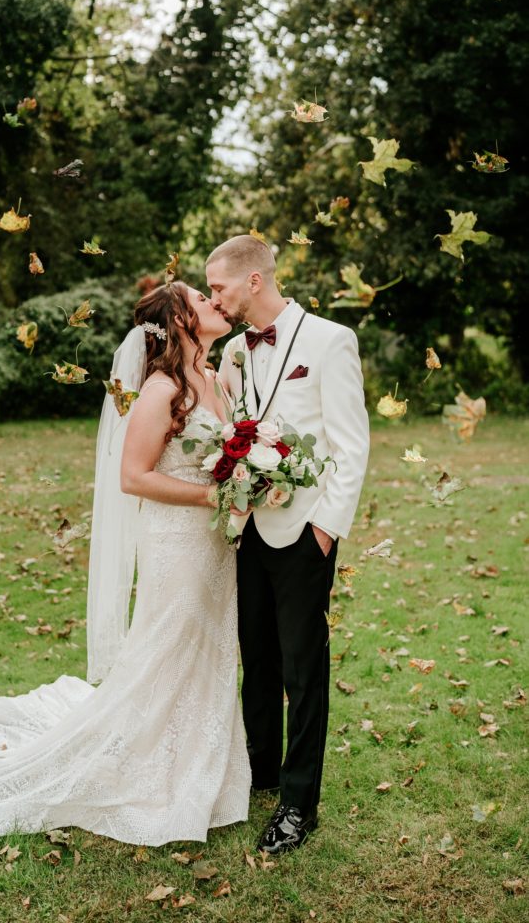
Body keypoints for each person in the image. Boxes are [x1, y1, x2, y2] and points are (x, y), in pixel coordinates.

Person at [0, 282, 251, 846]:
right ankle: (150, 767)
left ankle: (201, 763)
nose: (215, 304)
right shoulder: (161, 390)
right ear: (180, 321)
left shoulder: (212, 380)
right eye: (200, 300)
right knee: (167, 650)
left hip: (214, 545)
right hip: (177, 544)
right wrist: (213, 496)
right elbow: (133, 476)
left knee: (208, 647)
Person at [206, 235, 370, 854]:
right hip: (246, 527)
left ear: (253, 281)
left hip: (305, 532)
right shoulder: (233, 353)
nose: (214, 298)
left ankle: (300, 804)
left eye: (218, 286)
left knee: (304, 669)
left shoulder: (330, 341)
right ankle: (261, 770)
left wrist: (326, 529)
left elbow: (351, 445)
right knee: (257, 657)